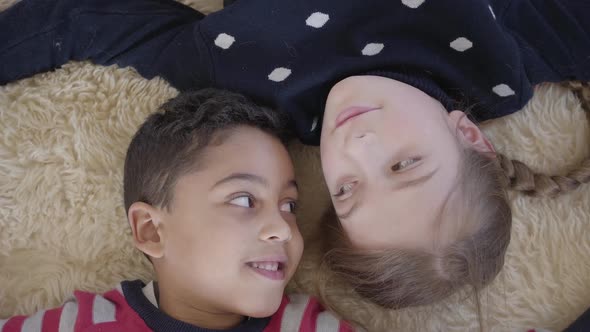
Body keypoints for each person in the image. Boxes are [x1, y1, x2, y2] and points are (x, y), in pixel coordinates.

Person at [1, 0, 589, 310]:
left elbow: (85, 20)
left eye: (348, 190)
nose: (356, 147)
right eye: (404, 166)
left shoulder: (248, 85)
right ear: (470, 137)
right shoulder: (507, 46)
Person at [0, 89, 353, 331]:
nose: (284, 228)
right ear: (152, 231)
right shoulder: (88, 324)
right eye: (245, 199)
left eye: (289, 205)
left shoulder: (309, 326)